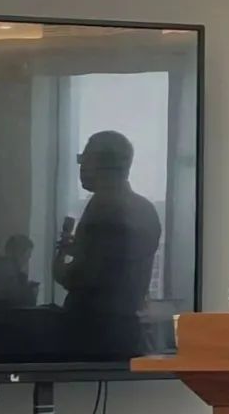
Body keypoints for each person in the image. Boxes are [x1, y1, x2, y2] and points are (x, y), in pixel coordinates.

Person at [54, 131, 161, 324]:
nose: (81, 167)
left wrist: (61, 259)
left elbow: (81, 278)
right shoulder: (144, 208)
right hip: (121, 327)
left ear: (104, 164)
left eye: (84, 159)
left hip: (95, 329)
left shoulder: (105, 207)